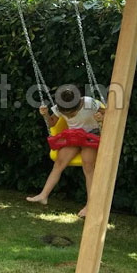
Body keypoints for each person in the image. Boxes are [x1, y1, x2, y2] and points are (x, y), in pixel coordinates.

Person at [26, 85, 105, 218]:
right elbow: (52, 123)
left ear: (78, 105)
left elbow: (107, 112)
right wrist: (46, 115)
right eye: (65, 114)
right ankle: (43, 195)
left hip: (92, 135)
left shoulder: (89, 103)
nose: (68, 116)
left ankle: (90, 205)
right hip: (74, 136)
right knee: (59, 163)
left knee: (88, 166)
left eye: (71, 114)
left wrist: (101, 117)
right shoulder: (59, 107)